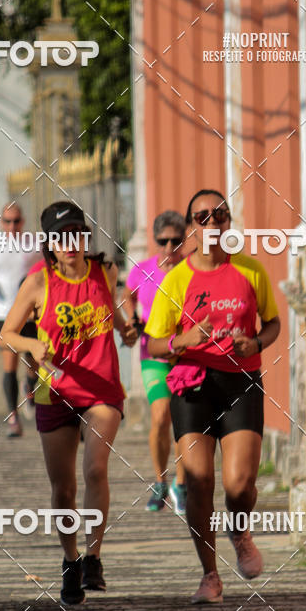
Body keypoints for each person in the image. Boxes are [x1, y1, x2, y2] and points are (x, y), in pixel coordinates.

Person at [145, 189, 281, 603]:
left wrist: (255, 344)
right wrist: (182, 339)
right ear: (190, 229)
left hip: (240, 383)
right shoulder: (177, 279)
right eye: (201, 217)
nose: (211, 223)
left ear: (228, 222)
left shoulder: (251, 271)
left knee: (240, 484)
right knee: (200, 481)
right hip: (193, 385)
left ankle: (239, 531)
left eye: (218, 214)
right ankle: (210, 574)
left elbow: (272, 323)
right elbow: (153, 345)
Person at [0, 201, 137, 606]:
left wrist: (128, 334)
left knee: (95, 469)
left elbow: (115, 315)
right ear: (50, 243)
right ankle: (70, 559)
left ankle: (93, 557)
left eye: (77, 233)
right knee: (64, 488)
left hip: (101, 390)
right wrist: (32, 344)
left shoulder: (105, 271)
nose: (71, 242)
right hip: (54, 391)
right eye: (61, 236)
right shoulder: (38, 282)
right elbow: (7, 333)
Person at [122, 211, 188, 514]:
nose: (169, 247)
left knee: (186, 421)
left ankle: (182, 485)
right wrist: (131, 319)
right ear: (155, 241)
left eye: (176, 240)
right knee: (161, 416)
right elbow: (128, 295)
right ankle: (161, 481)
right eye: (163, 241)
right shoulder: (143, 270)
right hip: (154, 353)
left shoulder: (192, 271)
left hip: (189, 355)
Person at [0, 202, 39, 436]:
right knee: (9, 365)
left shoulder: (34, 244)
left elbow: (46, 267)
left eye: (16, 221)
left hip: (32, 314)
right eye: (7, 221)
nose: (12, 226)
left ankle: (30, 386)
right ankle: (13, 416)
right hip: (5, 313)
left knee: (34, 362)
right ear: (1, 223)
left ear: (22, 222)